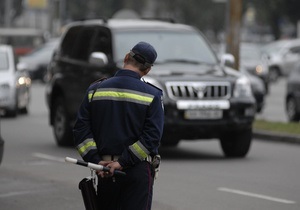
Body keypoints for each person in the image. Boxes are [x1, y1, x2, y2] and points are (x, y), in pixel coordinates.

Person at [73, 41, 164, 210]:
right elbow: (152, 137)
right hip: (137, 171)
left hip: (105, 171)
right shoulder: (152, 95)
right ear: (147, 70)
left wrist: (96, 160)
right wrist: (123, 162)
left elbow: (81, 131)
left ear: (126, 58)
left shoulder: (95, 90)